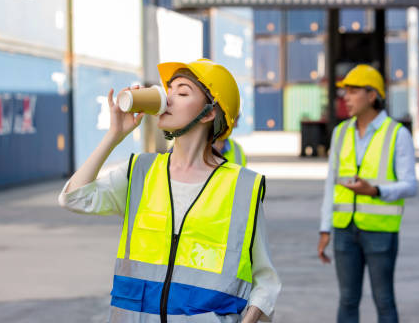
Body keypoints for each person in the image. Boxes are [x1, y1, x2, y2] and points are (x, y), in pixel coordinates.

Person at [59, 59, 280, 322]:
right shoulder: (140, 171)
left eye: (183, 92)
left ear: (209, 113)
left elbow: (265, 282)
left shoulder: (242, 187)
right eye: (169, 90)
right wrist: (114, 135)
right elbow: (74, 197)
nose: (168, 98)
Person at [317, 64, 417, 323]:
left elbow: (410, 184)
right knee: (347, 300)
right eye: (344, 92)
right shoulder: (340, 133)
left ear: (372, 95)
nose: (345, 98)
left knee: (384, 301)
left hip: (380, 231)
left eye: (352, 91)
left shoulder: (398, 134)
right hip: (344, 230)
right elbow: (331, 184)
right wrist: (325, 229)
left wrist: (374, 190)